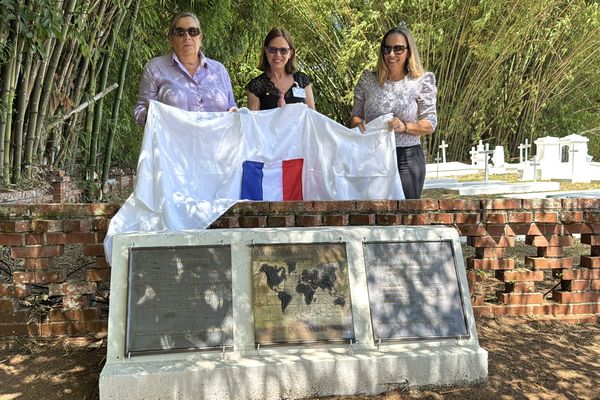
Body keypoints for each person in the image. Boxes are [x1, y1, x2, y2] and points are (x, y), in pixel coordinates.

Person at [350, 26, 437, 199]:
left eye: (398, 49)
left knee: (406, 216)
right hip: (372, 156)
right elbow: (355, 116)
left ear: (408, 51)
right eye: (387, 48)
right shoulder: (368, 79)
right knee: (372, 216)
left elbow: (430, 124)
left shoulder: (421, 81)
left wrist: (404, 126)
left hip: (407, 157)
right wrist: (358, 124)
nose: (391, 54)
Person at [133, 11, 237, 125]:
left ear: (200, 38)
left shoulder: (219, 70)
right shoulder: (155, 68)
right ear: (171, 39)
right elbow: (139, 112)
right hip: (172, 141)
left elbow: (231, 107)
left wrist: (234, 113)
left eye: (193, 32)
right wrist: (151, 113)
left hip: (217, 141)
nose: (187, 37)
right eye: (180, 32)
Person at [246, 27, 315, 110]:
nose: (278, 55)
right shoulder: (255, 87)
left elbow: (311, 117)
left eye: (283, 50)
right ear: (266, 51)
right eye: (272, 49)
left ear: (290, 53)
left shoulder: (302, 81)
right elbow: (253, 122)